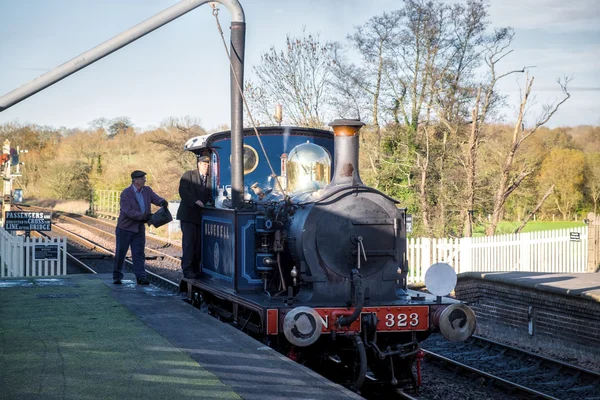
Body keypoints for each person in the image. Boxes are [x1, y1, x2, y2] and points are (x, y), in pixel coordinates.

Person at [113, 170, 168, 285]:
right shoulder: (126, 193)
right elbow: (127, 211)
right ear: (135, 181)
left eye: (144, 179)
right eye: (143, 179)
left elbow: (155, 198)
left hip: (139, 228)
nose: (144, 180)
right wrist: (143, 216)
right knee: (121, 252)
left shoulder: (147, 190)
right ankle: (117, 276)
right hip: (125, 228)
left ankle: (141, 277)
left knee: (138, 253)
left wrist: (162, 202)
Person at [177, 155, 212, 279]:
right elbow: (183, 192)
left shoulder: (210, 179)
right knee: (189, 244)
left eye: (208, 165)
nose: (206, 167)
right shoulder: (189, 175)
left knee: (199, 245)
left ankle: (197, 269)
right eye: (204, 164)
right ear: (198, 164)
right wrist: (195, 201)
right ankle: (187, 269)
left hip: (202, 217)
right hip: (188, 215)